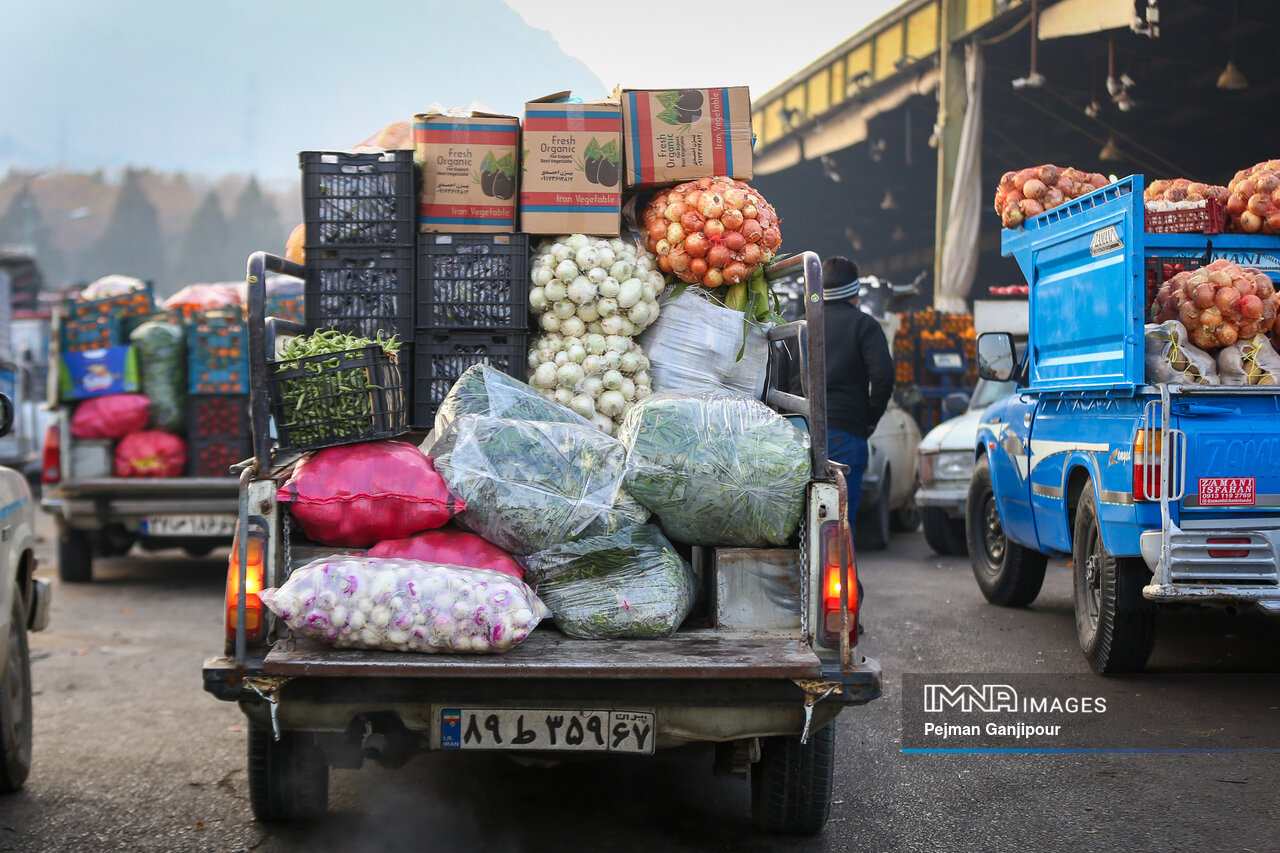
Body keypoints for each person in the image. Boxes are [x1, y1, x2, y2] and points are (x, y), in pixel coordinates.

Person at [819, 256, 895, 519]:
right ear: (854, 293)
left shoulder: (803, 324)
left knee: (804, 521)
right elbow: (884, 378)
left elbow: (782, 378)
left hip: (801, 434)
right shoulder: (865, 325)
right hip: (846, 432)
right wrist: (869, 419)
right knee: (838, 524)